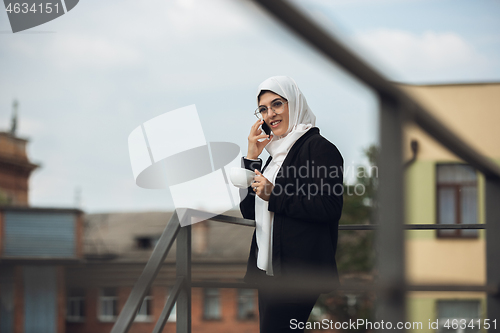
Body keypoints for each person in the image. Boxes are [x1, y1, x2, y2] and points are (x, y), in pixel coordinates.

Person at [239, 76, 344, 333]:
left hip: (299, 272)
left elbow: (329, 206)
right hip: (268, 269)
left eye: (277, 104)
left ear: (294, 104)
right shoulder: (275, 156)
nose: (270, 114)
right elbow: (247, 209)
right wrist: (252, 156)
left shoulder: (319, 149)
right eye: (263, 109)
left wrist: (274, 194)